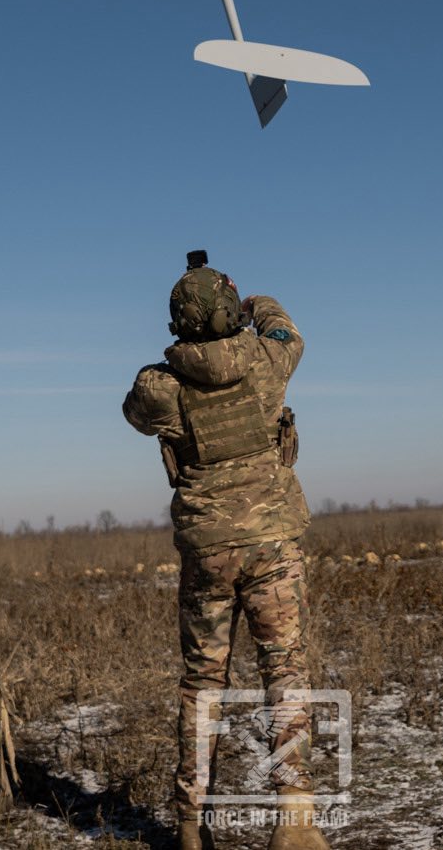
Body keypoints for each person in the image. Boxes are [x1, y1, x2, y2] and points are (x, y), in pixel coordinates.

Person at [123, 251, 334, 850]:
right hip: (272, 545)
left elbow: (134, 412)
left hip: (207, 552)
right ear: (229, 313)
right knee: (285, 673)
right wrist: (253, 303)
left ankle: (192, 826)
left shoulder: (161, 387)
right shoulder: (270, 360)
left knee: (202, 682)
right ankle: (294, 817)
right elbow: (286, 327)